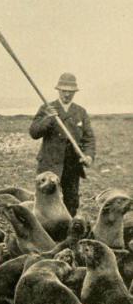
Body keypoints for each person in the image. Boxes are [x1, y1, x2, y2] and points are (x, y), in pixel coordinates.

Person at [29, 73, 96, 216]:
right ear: (58, 90)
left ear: (74, 92)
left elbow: (89, 139)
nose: (66, 94)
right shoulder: (47, 108)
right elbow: (34, 133)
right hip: (49, 164)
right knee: (45, 201)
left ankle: (68, 231)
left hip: (71, 165)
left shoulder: (80, 112)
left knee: (71, 202)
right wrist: (48, 118)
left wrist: (88, 156)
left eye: (70, 91)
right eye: (63, 91)